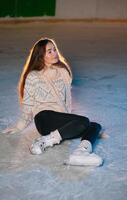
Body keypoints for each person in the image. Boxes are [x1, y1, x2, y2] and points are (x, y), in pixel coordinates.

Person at [2, 37, 103, 167]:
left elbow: (67, 100)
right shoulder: (33, 76)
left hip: (60, 119)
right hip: (44, 118)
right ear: (40, 56)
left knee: (95, 126)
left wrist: (73, 121)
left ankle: (80, 153)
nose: (55, 53)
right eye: (49, 51)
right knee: (84, 122)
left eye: (55, 49)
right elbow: (28, 104)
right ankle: (44, 140)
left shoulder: (62, 72)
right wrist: (19, 126)